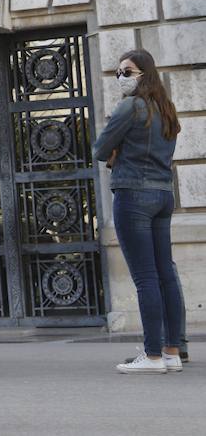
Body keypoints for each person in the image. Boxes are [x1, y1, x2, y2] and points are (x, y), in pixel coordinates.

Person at [93, 49, 183, 374]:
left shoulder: (131, 107)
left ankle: (153, 355)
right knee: (165, 274)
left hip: (133, 195)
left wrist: (116, 153)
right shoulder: (166, 108)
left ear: (145, 72)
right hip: (162, 195)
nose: (121, 78)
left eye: (127, 72)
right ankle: (172, 350)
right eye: (118, 73)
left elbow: (100, 148)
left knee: (146, 277)